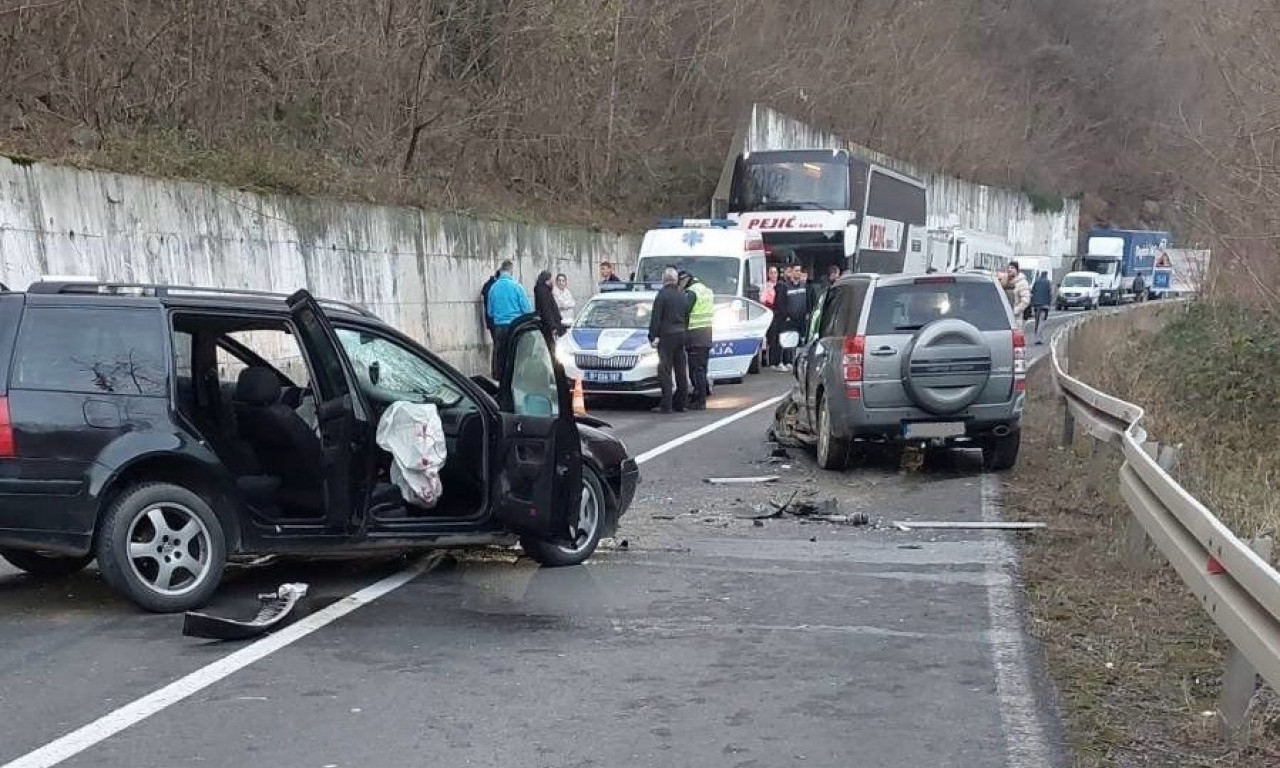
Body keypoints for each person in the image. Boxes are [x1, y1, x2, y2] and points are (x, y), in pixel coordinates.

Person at [647, 267, 690, 413]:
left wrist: (653, 336)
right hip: (681, 335)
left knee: (664, 370)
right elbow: (686, 317)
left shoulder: (662, 295)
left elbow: (656, 318)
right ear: (676, 280)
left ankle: (666, 404)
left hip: (667, 336)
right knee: (680, 370)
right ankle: (681, 403)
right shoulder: (682, 295)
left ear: (663, 280)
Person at [485, 260, 533, 379]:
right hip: (515, 325)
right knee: (515, 353)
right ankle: (515, 377)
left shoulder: (493, 288)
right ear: (511, 271)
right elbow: (527, 309)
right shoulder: (517, 287)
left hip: (499, 326)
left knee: (499, 353)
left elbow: (490, 312)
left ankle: (499, 378)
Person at [680, 269, 715, 411]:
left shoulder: (692, 292)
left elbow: (684, 311)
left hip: (695, 334)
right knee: (702, 368)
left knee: (696, 370)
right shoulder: (706, 290)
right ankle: (701, 395)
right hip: (706, 333)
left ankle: (700, 401)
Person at [776, 264, 812, 371]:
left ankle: (797, 362)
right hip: (789, 319)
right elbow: (781, 303)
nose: (798, 272)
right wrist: (786, 315)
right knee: (787, 340)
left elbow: (808, 300)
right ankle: (784, 362)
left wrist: (808, 313)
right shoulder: (785, 287)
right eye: (796, 270)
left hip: (802, 319)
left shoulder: (804, 286)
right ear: (791, 273)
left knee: (801, 341)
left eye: (799, 270)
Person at [532, 270, 563, 344]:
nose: (552, 281)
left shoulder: (543, 290)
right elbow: (547, 310)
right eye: (550, 279)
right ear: (546, 280)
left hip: (549, 323)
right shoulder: (543, 291)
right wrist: (553, 326)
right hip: (549, 325)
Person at [762, 265, 781, 369]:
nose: (774, 275)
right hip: (770, 313)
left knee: (778, 339)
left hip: (778, 315)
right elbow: (763, 300)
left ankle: (778, 361)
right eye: (772, 273)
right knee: (771, 339)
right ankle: (771, 361)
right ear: (768, 274)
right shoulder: (766, 287)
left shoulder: (781, 286)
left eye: (775, 272)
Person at [1030, 271, 1052, 345]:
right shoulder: (1048, 282)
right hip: (1044, 305)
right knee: (1043, 321)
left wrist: (1033, 303)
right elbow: (1049, 293)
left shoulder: (1036, 282)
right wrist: (1049, 303)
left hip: (1036, 304)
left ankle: (1036, 336)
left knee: (1037, 321)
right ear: (1046, 275)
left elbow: (1032, 292)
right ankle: (1039, 337)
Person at [479, 268, 501, 343]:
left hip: (492, 319)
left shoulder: (489, 284)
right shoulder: (493, 286)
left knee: (496, 342)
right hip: (495, 319)